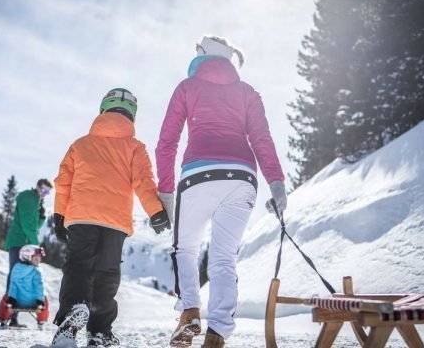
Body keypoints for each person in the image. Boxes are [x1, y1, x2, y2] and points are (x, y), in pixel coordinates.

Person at [156, 36, 287, 348]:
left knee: (185, 249)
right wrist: (277, 184)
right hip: (242, 176)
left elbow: (167, 142)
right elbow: (262, 139)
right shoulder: (247, 92)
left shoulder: (187, 87)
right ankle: (217, 333)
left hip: (198, 174)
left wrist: (165, 191)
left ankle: (189, 313)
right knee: (224, 257)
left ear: (202, 55)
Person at [51, 88, 172, 348]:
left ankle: (73, 310)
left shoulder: (80, 144)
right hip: (114, 221)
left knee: (78, 265)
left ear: (103, 110)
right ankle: (99, 331)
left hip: (81, 216)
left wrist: (59, 215)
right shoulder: (135, 147)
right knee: (107, 273)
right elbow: (143, 181)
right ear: (132, 116)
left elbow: (64, 184)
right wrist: (155, 211)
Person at [4, 179, 52, 326]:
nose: (44, 194)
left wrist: (42, 217)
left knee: (25, 277)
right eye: (43, 190)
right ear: (37, 187)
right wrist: (35, 248)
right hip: (20, 243)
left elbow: (34, 225)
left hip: (24, 243)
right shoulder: (28, 198)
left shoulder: (35, 201)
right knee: (15, 277)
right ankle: (9, 315)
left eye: (47, 192)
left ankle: (13, 317)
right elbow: (27, 226)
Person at [0, 244, 49, 326]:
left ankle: (2, 318)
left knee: (5, 298)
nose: (39, 260)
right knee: (45, 300)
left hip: (16, 302)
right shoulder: (36, 272)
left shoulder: (16, 268)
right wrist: (40, 302)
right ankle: (42, 319)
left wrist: (11, 300)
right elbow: (38, 288)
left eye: (39, 258)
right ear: (27, 257)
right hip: (33, 303)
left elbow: (13, 286)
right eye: (36, 258)